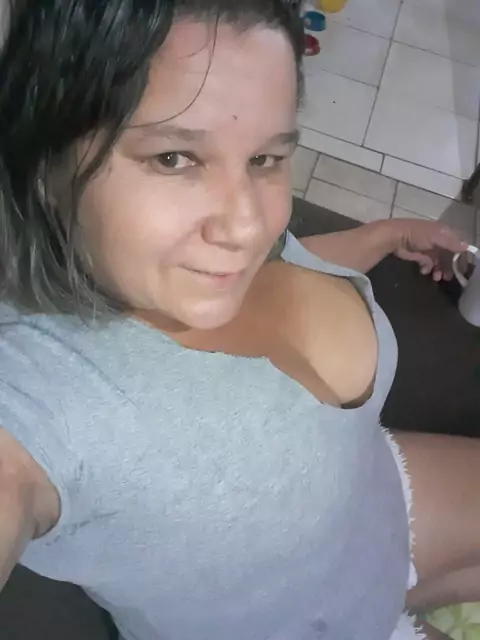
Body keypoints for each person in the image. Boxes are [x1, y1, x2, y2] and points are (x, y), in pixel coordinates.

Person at [0, 2, 479, 639]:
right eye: (174, 158)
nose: (250, 225)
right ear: (44, 165)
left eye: (266, 159)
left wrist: (383, 236)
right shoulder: (40, 388)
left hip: (377, 501)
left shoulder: (210, 256)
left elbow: (282, 263)